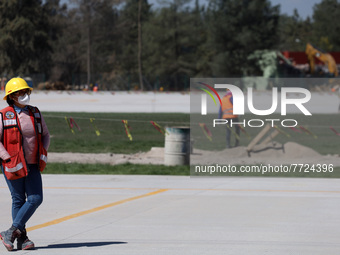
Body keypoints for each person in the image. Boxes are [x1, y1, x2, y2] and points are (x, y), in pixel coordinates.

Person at [0, 78, 50, 251]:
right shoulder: (4, 114)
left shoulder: (35, 112)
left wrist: (43, 152)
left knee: (36, 198)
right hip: (12, 163)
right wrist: (6, 157)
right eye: (21, 92)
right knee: (18, 199)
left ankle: (11, 231)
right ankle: (22, 239)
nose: (24, 95)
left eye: (26, 92)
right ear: (12, 96)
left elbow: (46, 135)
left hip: (33, 164)